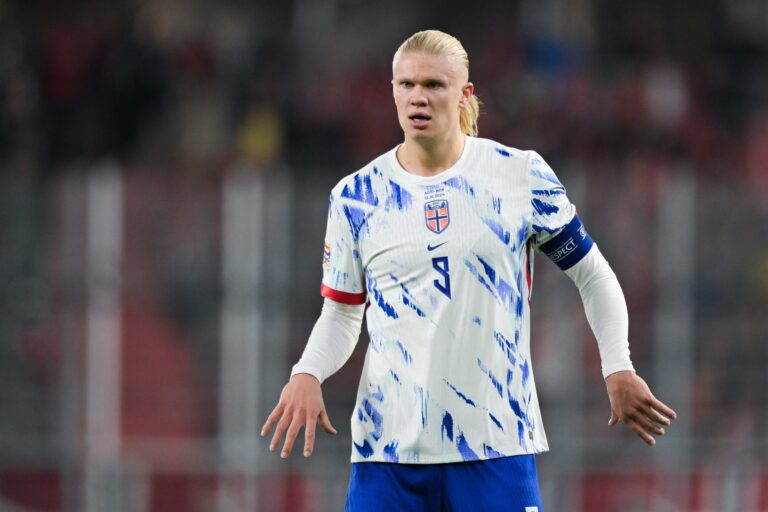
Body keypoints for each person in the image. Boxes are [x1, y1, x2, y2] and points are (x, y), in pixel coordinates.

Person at [261, 29, 677, 511]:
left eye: (434, 85)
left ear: (464, 95)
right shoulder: (357, 197)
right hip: (387, 455)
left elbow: (594, 275)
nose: (418, 96)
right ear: (392, 91)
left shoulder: (518, 175)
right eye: (406, 84)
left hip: (496, 447)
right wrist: (308, 372)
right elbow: (341, 313)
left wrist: (618, 365)